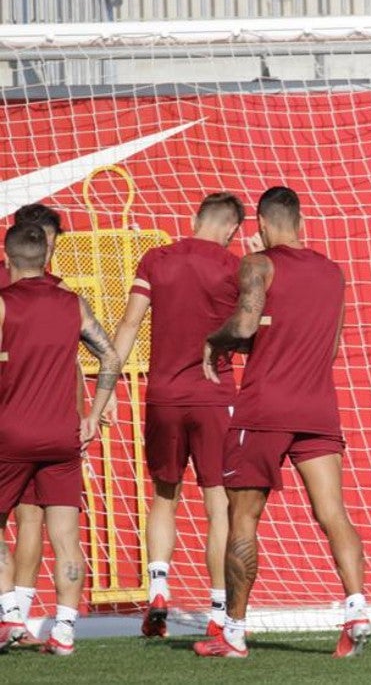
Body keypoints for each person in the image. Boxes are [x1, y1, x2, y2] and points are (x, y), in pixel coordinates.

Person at [194, 186, 369, 658]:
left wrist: (214, 341)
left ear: (261, 225)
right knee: (333, 513)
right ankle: (357, 611)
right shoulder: (333, 272)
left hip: (265, 407)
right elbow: (332, 346)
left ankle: (233, 633)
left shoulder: (257, 264)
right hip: (318, 406)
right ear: (301, 223)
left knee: (243, 517)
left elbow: (244, 326)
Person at [110, 193, 244, 637]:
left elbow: (129, 324)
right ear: (232, 229)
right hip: (213, 396)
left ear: (195, 218)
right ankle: (219, 612)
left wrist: (106, 388)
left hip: (163, 396)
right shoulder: (235, 267)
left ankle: (158, 590)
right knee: (219, 505)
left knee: (164, 496)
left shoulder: (156, 259)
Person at [0, 223, 121, 655]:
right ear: (47, 258)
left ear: (7, 257)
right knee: (67, 536)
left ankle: (10, 615)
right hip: (62, 436)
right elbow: (110, 356)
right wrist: (94, 413)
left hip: (10, 435)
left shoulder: (3, 304)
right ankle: (65, 631)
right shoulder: (73, 304)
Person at [2, 203, 76, 647]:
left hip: (21, 425)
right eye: (43, 240)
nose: (46, 248)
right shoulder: (50, 296)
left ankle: (17, 615)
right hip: (39, 425)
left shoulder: (58, 292)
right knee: (50, 526)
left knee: (31, 518)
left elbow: (69, 361)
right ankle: (32, 620)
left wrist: (87, 407)